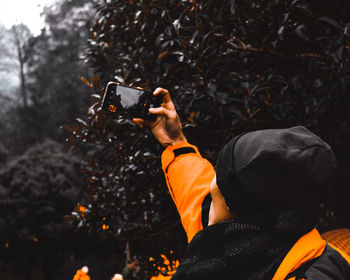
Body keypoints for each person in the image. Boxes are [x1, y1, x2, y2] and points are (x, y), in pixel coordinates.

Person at [134, 88, 350, 279]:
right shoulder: (262, 231)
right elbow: (196, 191)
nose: (208, 204)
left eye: (216, 194)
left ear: (235, 214)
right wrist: (176, 143)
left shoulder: (311, 274)